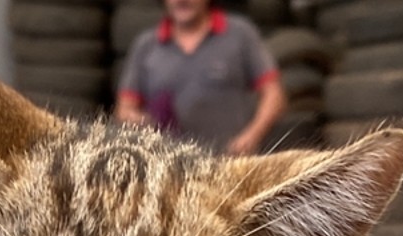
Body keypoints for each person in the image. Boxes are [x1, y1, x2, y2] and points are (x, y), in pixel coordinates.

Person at [115, 0, 287, 155]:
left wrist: (251, 136)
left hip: (233, 165)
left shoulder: (240, 34)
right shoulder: (146, 45)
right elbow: (124, 109)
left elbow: (274, 95)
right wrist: (142, 121)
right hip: (170, 170)